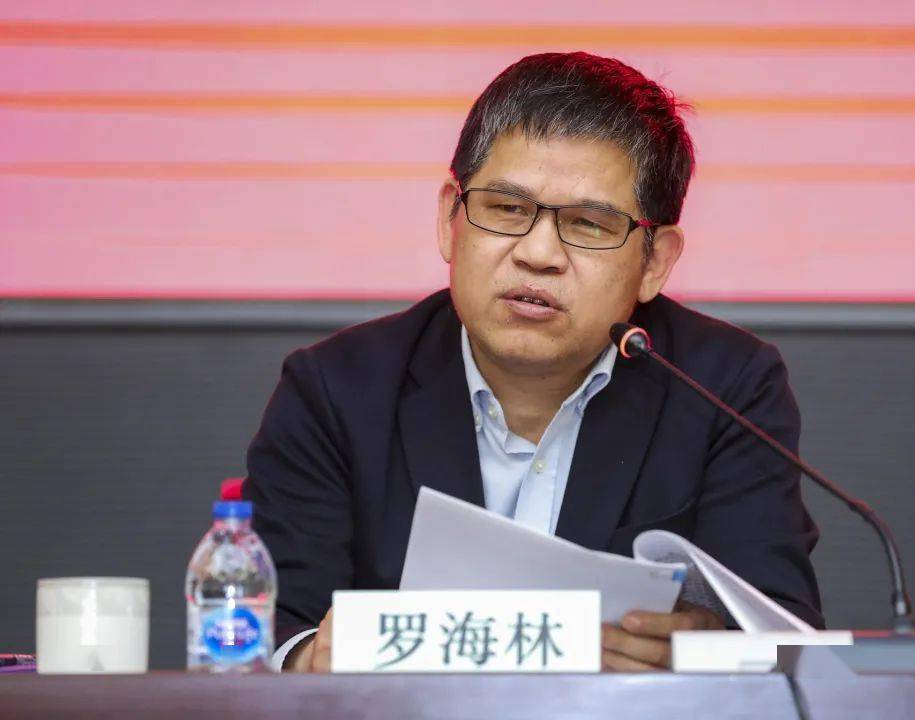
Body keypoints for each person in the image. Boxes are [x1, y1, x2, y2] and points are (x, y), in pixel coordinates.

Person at [245, 51, 823, 673]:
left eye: (590, 224)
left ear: (654, 261)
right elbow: (266, 627)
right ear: (449, 218)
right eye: (506, 209)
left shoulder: (725, 388)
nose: (538, 253)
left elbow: (786, 636)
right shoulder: (335, 390)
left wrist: (707, 655)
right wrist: (308, 661)